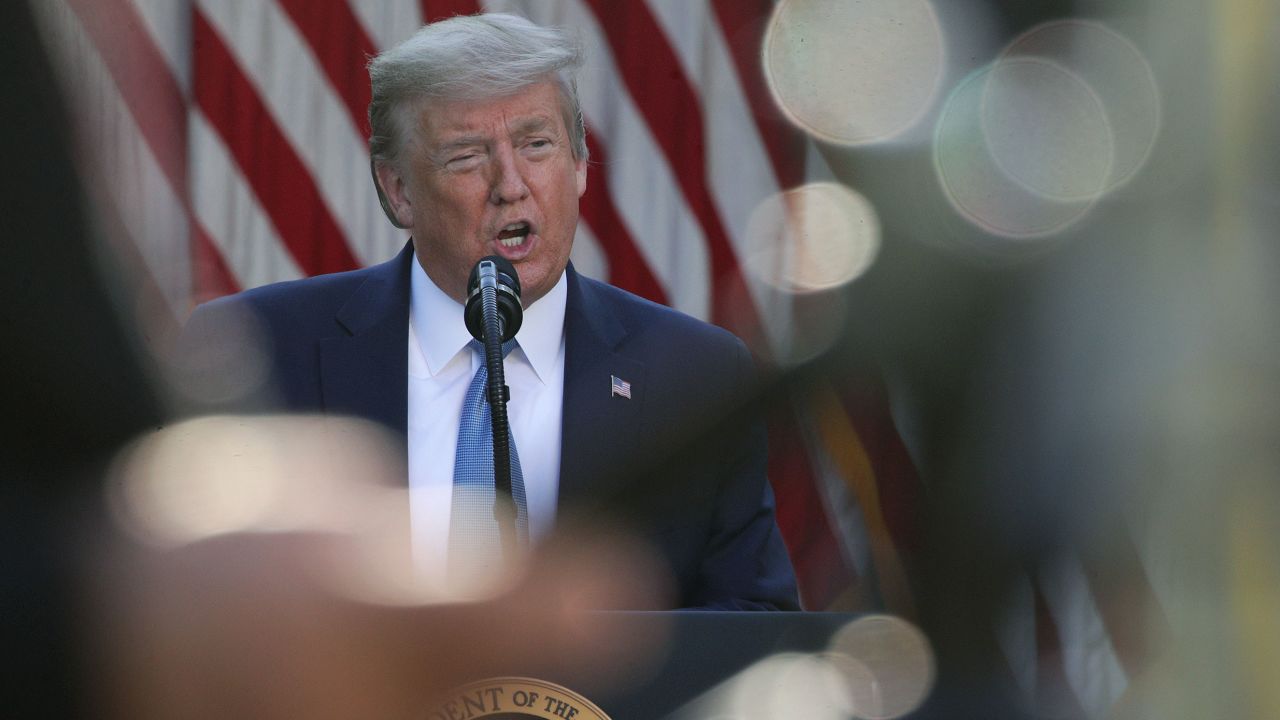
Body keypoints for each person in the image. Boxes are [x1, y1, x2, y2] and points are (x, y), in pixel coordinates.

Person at [178, 12, 798, 611]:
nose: (511, 183)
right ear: (398, 191)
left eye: (537, 144)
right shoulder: (257, 351)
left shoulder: (695, 375)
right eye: (467, 156)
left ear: (580, 166)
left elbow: (752, 617)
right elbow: (190, 609)